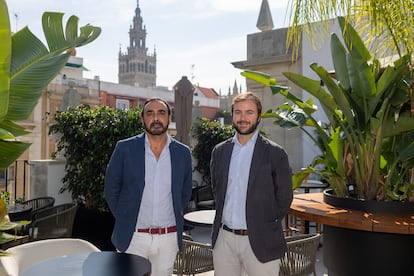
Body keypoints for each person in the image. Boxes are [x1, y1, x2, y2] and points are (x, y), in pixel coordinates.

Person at [104, 97, 193, 275]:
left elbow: (184, 192)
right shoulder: (125, 148)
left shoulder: (182, 153)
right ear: (143, 118)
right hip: (133, 237)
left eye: (161, 113)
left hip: (168, 238)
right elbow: (111, 188)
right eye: (150, 113)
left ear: (169, 117)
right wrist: (125, 217)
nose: (156, 118)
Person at [210, 92, 293, 276]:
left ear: (258, 116)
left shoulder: (275, 153)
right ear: (232, 115)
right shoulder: (220, 151)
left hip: (261, 239)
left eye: (249, 112)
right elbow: (217, 189)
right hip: (224, 240)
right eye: (238, 112)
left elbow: (284, 198)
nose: (243, 118)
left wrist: (264, 223)